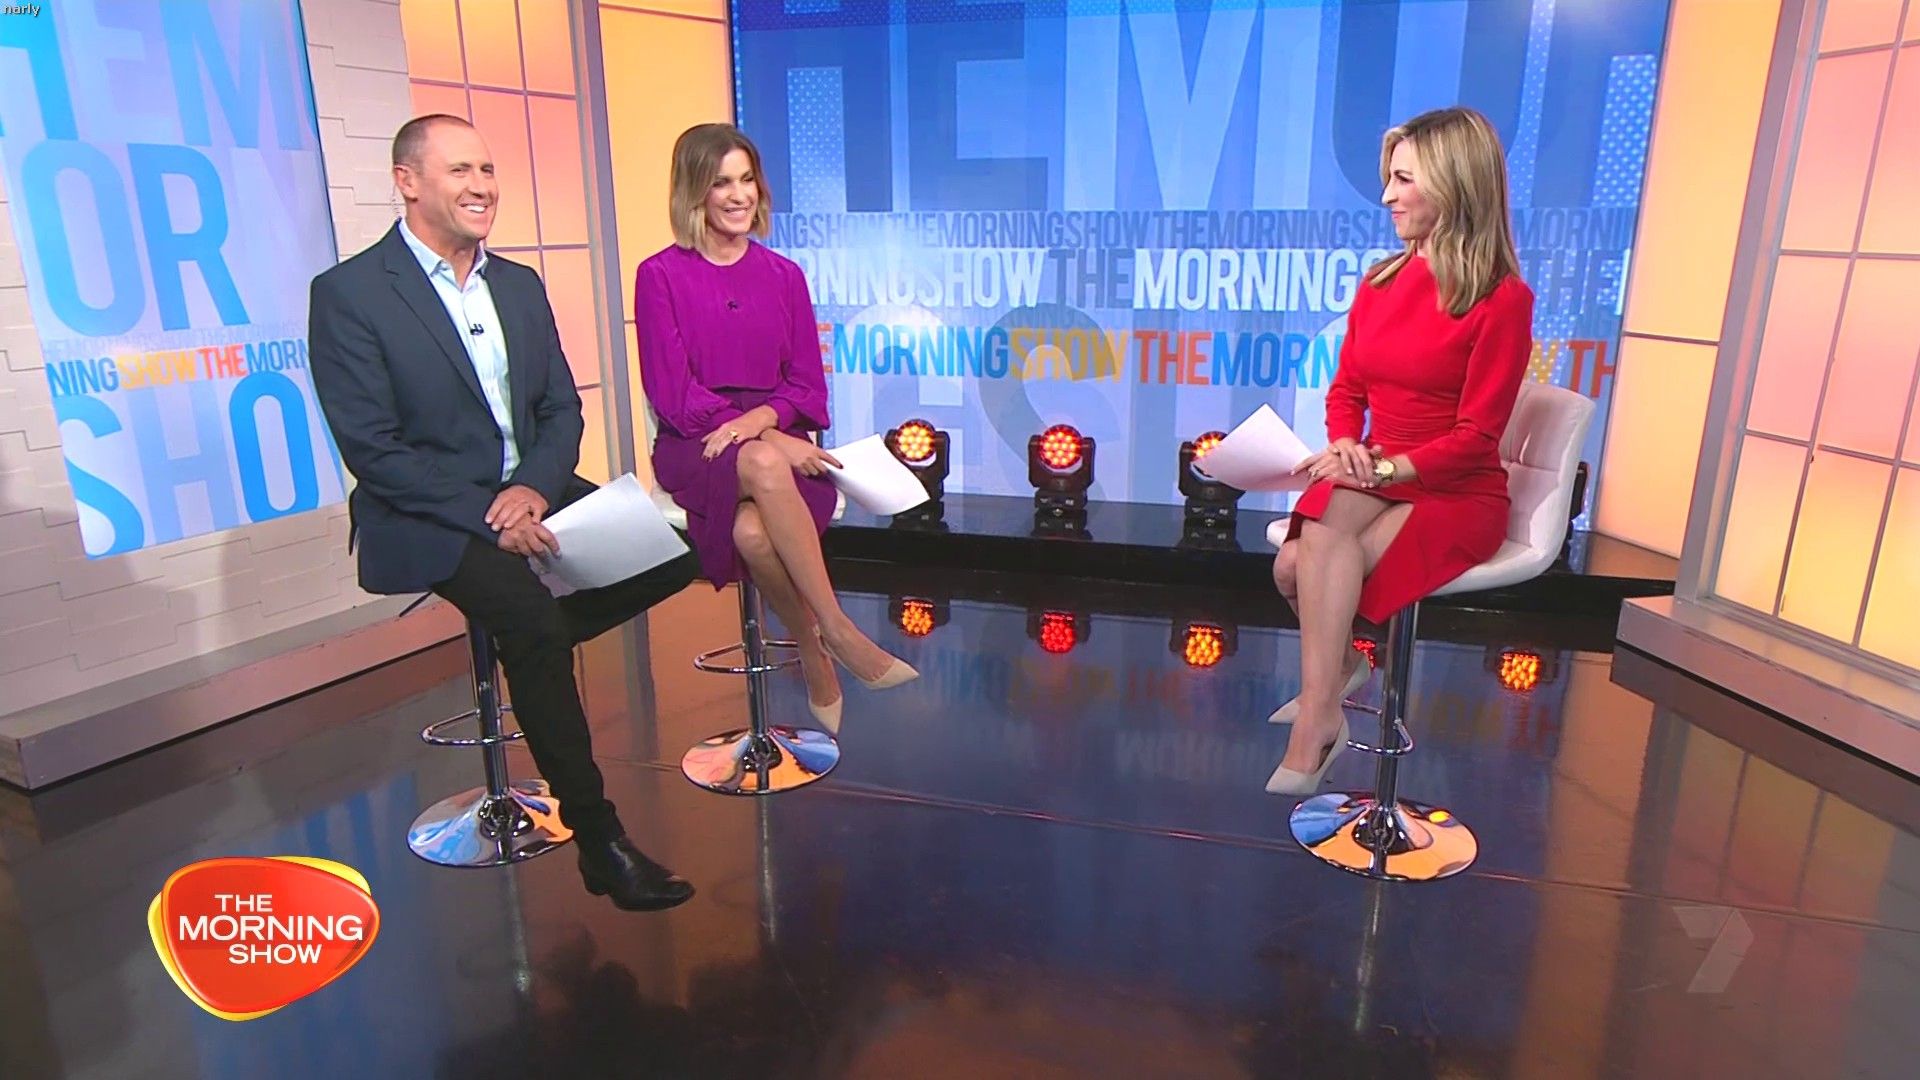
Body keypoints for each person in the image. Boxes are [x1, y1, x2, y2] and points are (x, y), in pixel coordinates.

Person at [309, 114, 702, 911]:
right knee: (531, 622)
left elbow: (561, 409)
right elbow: (373, 449)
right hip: (425, 510)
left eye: (487, 169)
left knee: (673, 554)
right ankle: (601, 842)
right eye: (460, 170)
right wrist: (493, 513)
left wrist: (533, 489)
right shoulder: (350, 294)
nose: (482, 186)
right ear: (407, 182)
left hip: (529, 489)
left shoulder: (517, 284)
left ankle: (530, 645)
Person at [1265, 106, 1535, 795]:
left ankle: (1318, 720)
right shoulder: (1380, 282)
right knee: (1293, 564)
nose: (1386, 195)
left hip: (1456, 489)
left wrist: (1382, 467)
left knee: (1309, 559)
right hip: (1378, 470)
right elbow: (1346, 388)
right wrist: (1345, 444)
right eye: (1389, 178)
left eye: (1404, 179)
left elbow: (1476, 439)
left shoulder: (1501, 300)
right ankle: (1337, 679)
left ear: (1455, 184)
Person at [635, 123, 917, 735]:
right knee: (762, 463)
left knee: (753, 533)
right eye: (721, 183)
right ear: (694, 192)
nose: (739, 195)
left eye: (747, 180)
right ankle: (838, 629)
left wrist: (765, 423)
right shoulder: (660, 276)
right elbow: (673, 395)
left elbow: (807, 386)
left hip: (777, 445)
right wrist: (766, 439)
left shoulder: (784, 275)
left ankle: (812, 652)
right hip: (697, 445)